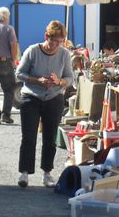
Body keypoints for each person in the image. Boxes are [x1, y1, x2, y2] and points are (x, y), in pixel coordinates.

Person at [15, 20, 74, 188]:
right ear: (46, 36)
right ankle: (24, 172)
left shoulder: (64, 54)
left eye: (59, 41)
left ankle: (47, 172)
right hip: (31, 96)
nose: (55, 45)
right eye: (53, 40)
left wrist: (60, 81)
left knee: (50, 138)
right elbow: (19, 73)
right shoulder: (33, 50)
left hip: (54, 97)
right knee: (29, 136)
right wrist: (37, 80)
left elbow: (70, 78)